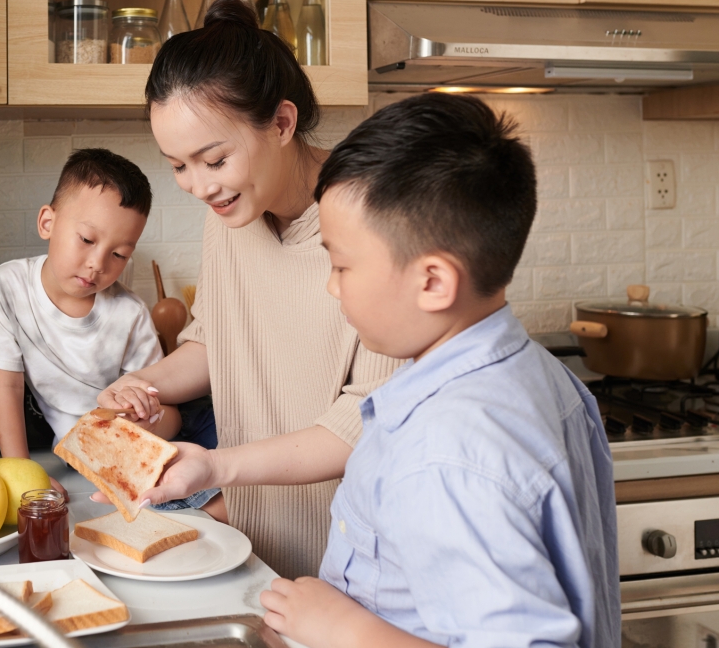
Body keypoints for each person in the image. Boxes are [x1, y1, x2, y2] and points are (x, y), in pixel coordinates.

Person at [255, 93, 621, 647]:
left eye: (341, 264)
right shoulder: (545, 376)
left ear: (433, 282)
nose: (332, 285)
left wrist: (341, 628)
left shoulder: (445, 451)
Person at [97, 0, 400, 579]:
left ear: (282, 123)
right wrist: (141, 386)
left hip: (351, 555)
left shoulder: (371, 218)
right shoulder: (230, 215)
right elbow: (216, 342)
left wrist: (215, 467)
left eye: (213, 159)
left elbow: (363, 421)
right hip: (255, 541)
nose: (197, 186)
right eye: (178, 165)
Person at [0, 148, 182, 488]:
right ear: (47, 223)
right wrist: (25, 476)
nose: (98, 263)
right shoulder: (10, 284)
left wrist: (143, 416)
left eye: (118, 254)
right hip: (72, 460)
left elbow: (168, 414)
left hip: (126, 452)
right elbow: (7, 387)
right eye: (86, 239)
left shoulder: (129, 313)